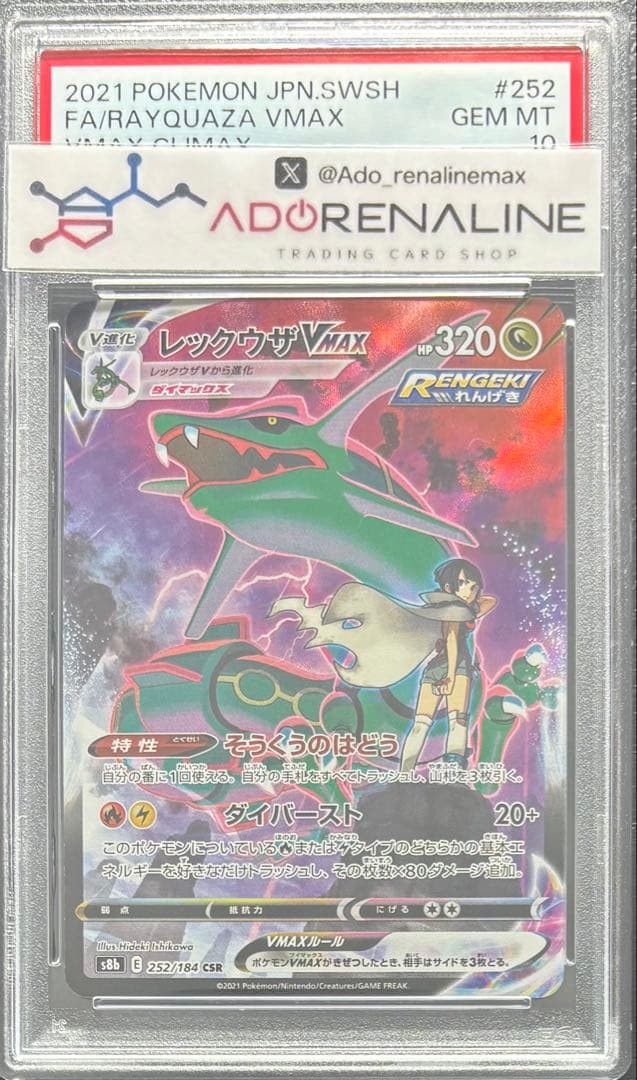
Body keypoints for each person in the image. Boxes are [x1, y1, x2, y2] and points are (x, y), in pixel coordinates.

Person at [399, 558, 496, 772]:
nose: (470, 591)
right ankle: (451, 772)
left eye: (474, 587)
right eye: (462, 583)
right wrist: (450, 676)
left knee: (421, 724)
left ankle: (405, 773)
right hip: (456, 665)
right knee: (457, 721)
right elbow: (451, 640)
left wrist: (467, 605)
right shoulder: (452, 612)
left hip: (435, 668)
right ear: (448, 586)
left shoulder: (445, 609)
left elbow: (489, 601)